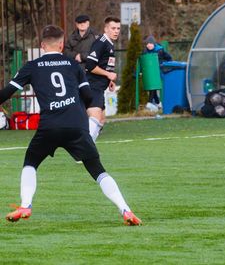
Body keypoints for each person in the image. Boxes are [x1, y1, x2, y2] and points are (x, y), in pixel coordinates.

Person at [1, 25, 141, 225]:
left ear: (42, 45)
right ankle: (125, 210)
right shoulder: (73, 65)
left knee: (30, 162)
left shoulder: (32, 66)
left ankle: (25, 205)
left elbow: (7, 92)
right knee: (98, 170)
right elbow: (88, 96)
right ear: (61, 45)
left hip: (49, 126)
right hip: (76, 125)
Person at [86, 16, 121, 142]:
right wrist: (108, 74)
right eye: (113, 28)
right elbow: (90, 65)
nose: (116, 31)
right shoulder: (101, 43)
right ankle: (85, 148)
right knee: (95, 117)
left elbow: (105, 64)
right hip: (92, 85)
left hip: (100, 86)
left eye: (118, 28)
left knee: (101, 119)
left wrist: (109, 80)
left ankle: (88, 147)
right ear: (106, 29)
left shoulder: (109, 44)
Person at [142, 35, 172, 105]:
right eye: (147, 44)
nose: (149, 45)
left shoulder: (160, 50)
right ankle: (158, 102)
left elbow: (169, 58)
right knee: (152, 86)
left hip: (159, 71)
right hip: (150, 72)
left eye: (150, 43)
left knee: (153, 85)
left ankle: (150, 102)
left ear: (154, 44)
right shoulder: (145, 51)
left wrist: (164, 65)